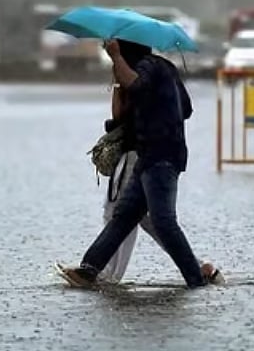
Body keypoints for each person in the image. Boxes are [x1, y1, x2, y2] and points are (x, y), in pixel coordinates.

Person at [60, 38, 210, 289]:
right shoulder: (163, 69)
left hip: (162, 156)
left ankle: (196, 278)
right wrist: (122, 78)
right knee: (123, 216)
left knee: (163, 221)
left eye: (119, 50)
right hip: (149, 155)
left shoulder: (150, 66)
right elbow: (183, 108)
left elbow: (139, 88)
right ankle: (88, 271)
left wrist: (116, 58)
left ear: (127, 50)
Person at [98, 86, 224, 285]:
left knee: (119, 212)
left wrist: (117, 88)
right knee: (148, 218)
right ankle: (198, 266)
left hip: (135, 154)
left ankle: (107, 273)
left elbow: (120, 116)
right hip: (154, 154)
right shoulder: (161, 81)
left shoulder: (133, 76)